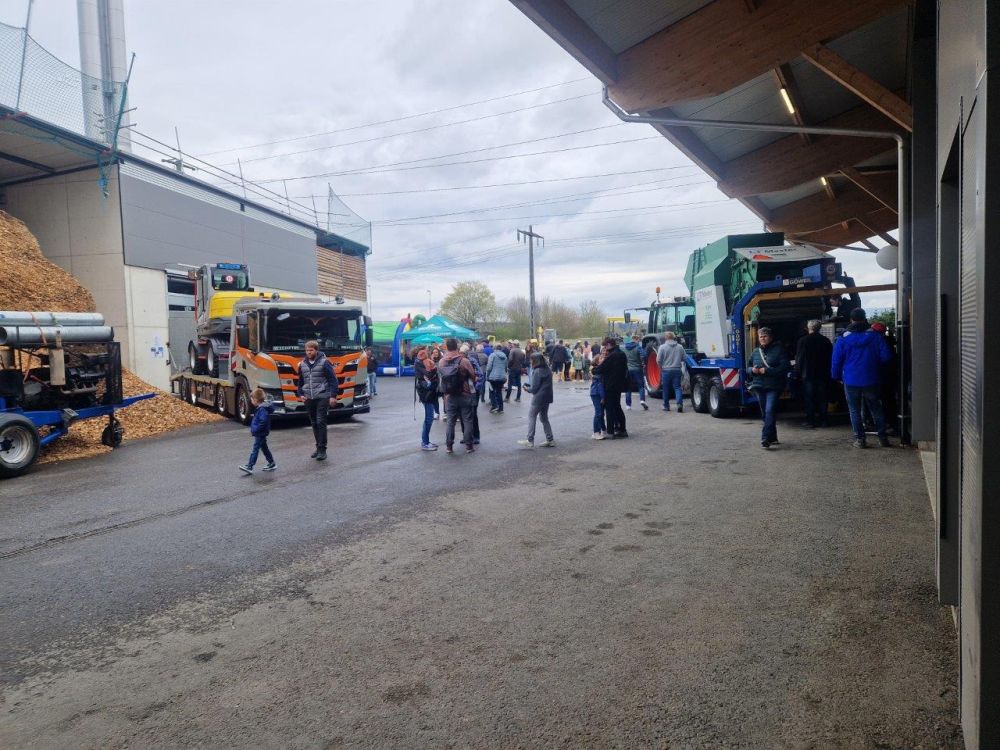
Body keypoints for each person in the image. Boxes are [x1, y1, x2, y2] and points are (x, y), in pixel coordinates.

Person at [831, 308, 893, 448]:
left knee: (854, 410)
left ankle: (860, 440)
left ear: (851, 320)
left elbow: (836, 361)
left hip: (850, 380)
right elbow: (886, 357)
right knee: (876, 408)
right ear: (864, 319)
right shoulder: (876, 337)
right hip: (872, 378)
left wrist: (836, 376)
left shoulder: (842, 338)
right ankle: (883, 438)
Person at [748, 327, 790, 449]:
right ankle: (773, 437)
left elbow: (784, 368)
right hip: (759, 386)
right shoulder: (755, 352)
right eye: (761, 336)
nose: (763, 339)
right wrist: (753, 370)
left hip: (774, 386)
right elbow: (748, 367)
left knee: (769, 410)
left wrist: (766, 371)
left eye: (765, 336)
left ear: (771, 338)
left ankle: (765, 437)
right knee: (765, 413)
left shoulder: (779, 350)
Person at [297, 339, 338, 461]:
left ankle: (322, 449)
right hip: (309, 397)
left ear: (316, 350)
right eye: (307, 350)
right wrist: (300, 393)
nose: (308, 352)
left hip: (322, 396)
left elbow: (333, 380)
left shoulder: (325, 363)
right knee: (314, 423)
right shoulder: (302, 364)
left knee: (320, 422)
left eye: (311, 350)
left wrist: (333, 396)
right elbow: (300, 381)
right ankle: (318, 447)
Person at [439, 338, 477, 453]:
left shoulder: (442, 362)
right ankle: (469, 446)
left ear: (446, 347)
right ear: (457, 347)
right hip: (465, 393)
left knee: (450, 422)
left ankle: (449, 447)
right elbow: (473, 376)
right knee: (467, 420)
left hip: (449, 396)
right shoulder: (463, 360)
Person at [794, 319, 833, 428]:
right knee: (823, 398)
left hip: (808, 374)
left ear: (809, 328)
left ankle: (810, 421)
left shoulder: (802, 341)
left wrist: (797, 373)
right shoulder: (826, 341)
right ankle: (824, 420)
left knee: (809, 398)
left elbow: (799, 359)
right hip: (823, 374)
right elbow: (830, 358)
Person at [593, 336, 628, 438]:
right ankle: (622, 429)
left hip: (610, 385)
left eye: (605, 346)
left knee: (610, 409)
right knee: (617, 407)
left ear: (609, 345)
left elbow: (602, 368)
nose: (604, 348)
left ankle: (610, 431)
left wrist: (594, 370)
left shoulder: (613, 356)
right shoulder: (622, 354)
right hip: (619, 385)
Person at [518, 352, 555, 448]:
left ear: (534, 361)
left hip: (539, 398)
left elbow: (534, 389)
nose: (530, 361)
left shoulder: (537, 371)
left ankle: (530, 440)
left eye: (531, 359)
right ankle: (550, 439)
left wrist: (527, 389)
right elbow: (541, 384)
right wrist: (531, 386)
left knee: (531, 416)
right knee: (544, 418)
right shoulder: (547, 369)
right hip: (547, 396)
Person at [871, 321, 899, 436]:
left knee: (883, 402)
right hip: (889, 377)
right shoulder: (889, 342)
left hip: (881, 376)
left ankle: (887, 424)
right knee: (888, 401)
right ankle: (890, 424)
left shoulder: (879, 343)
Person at [239, 388, 276, 474]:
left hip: (260, 433)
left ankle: (250, 466)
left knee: (255, 449)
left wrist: (256, 429)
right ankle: (271, 463)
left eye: (252, 399)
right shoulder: (261, 408)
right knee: (264, 448)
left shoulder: (262, 409)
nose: (251, 401)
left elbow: (263, 421)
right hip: (260, 432)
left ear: (255, 400)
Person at [414, 347, 439, 451]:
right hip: (426, 393)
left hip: (427, 393)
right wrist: (432, 367)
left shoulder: (421, 362)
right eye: (424, 351)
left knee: (429, 417)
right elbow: (429, 374)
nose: (426, 353)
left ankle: (426, 441)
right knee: (429, 418)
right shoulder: (420, 363)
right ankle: (425, 443)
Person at [656, 332, 685, 412]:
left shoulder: (662, 347)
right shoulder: (680, 347)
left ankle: (666, 406)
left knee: (665, 388)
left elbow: (658, 360)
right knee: (677, 387)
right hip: (677, 369)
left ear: (666, 338)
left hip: (666, 370)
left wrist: (661, 367)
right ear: (674, 338)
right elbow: (684, 358)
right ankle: (679, 404)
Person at [462, 343, 484, 445]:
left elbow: (480, 376)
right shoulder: (458, 361)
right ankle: (466, 436)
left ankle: (476, 436)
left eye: (462, 353)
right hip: (463, 391)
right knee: (463, 414)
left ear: (466, 353)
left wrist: (475, 388)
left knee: (473, 413)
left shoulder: (472, 361)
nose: (460, 354)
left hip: (473, 391)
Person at [623, 334, 648, 411]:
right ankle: (642, 400)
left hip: (628, 369)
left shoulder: (625, 348)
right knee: (641, 386)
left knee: (628, 388)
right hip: (637, 369)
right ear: (636, 340)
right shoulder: (638, 347)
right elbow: (644, 355)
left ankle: (628, 405)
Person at [486, 343, 508, 414]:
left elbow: (489, 367)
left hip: (493, 377)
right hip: (502, 377)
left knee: (491, 391)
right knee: (499, 392)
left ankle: (494, 406)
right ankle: (501, 408)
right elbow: (505, 367)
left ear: (494, 348)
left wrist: (487, 376)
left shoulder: (492, 355)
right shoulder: (504, 356)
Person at [590, 350, 607, 439]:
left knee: (601, 413)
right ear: (597, 362)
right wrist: (603, 397)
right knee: (598, 413)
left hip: (597, 393)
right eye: (601, 358)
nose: (603, 358)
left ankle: (603, 429)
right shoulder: (598, 371)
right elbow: (600, 385)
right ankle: (596, 432)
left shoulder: (599, 370)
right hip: (596, 394)